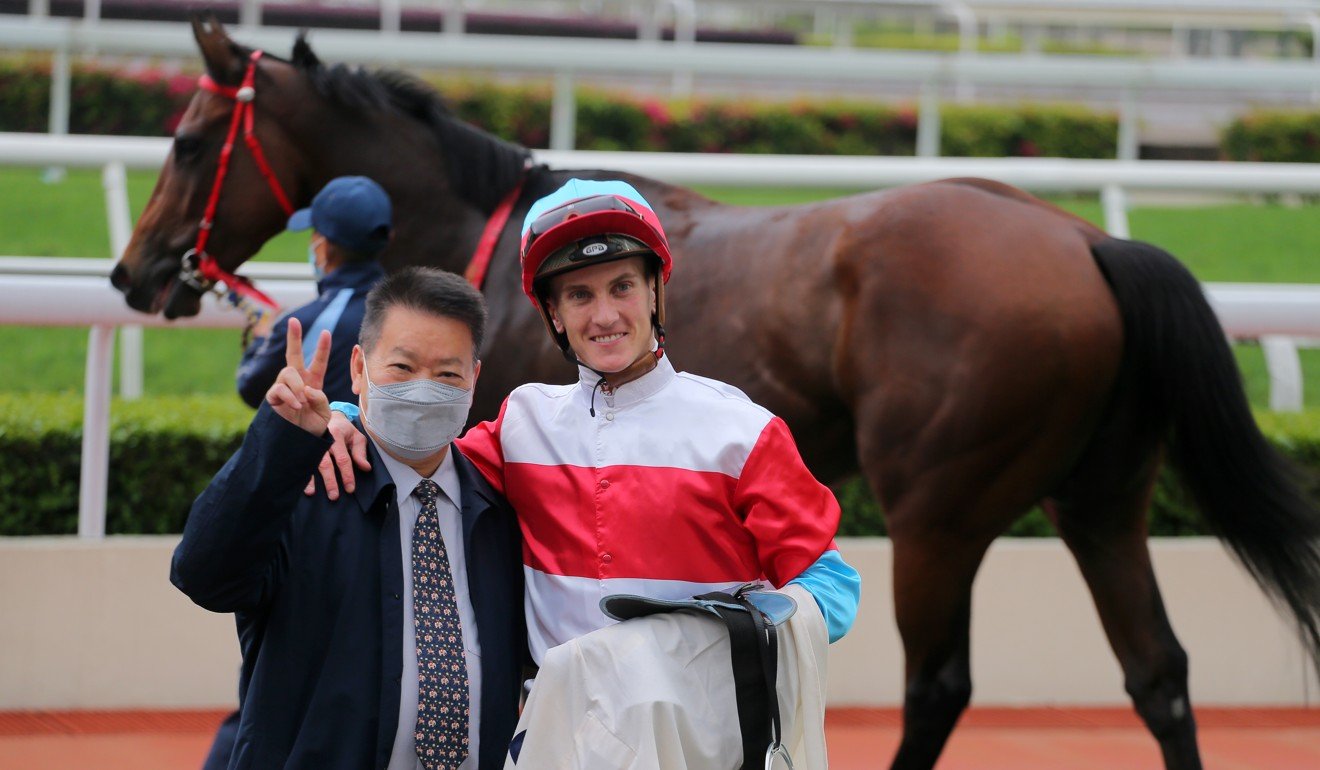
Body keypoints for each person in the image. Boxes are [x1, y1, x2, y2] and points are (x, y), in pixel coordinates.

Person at [318, 179, 861, 768]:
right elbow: (420, 458)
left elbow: (832, 590)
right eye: (579, 295)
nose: (604, 315)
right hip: (555, 740)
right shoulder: (522, 421)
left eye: (623, 286)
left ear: (655, 290)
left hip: (700, 745)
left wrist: (701, 639)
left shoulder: (744, 432)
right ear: (553, 312)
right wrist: (345, 417)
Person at [173, 267, 526, 770]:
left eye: (447, 374)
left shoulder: (501, 508)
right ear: (358, 369)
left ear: (475, 378)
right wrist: (280, 443)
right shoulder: (308, 485)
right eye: (402, 368)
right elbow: (203, 576)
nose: (423, 391)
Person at [235, 175, 391, 408]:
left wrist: (262, 336)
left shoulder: (303, 324)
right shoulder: (408, 307)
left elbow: (252, 389)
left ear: (323, 247)